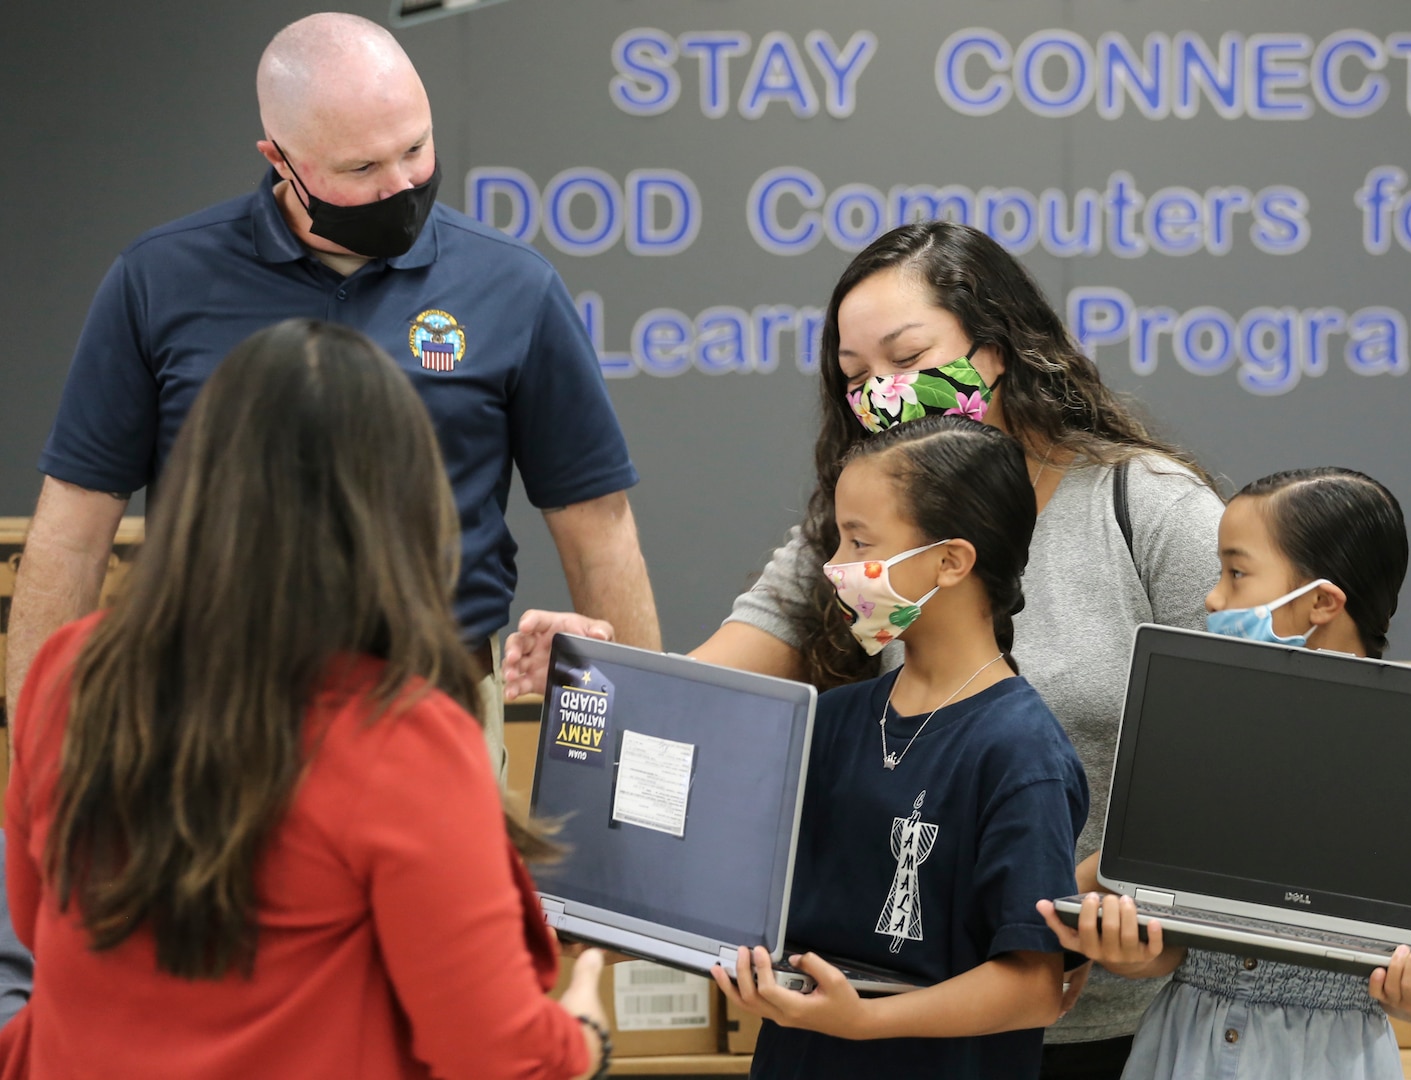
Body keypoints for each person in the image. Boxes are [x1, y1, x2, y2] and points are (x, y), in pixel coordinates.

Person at [506, 221, 1225, 1078]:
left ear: (994, 355)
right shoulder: (857, 536)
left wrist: (1088, 898)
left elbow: (1244, 739)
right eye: (856, 377)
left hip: (1120, 1015)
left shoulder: (1143, 507)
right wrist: (609, 678)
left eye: (908, 356)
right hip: (901, 1022)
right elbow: (714, 681)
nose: (884, 392)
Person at [7, 11, 659, 790]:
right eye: (360, 169)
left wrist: (640, 757)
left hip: (436, 703)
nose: (402, 185)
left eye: (415, 148)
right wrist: (38, 762)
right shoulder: (159, 281)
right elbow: (72, 538)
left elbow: (600, 532)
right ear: (279, 159)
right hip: (211, 716)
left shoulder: (512, 286)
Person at [0, 319, 612, 1079]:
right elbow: (499, 1055)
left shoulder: (69, 673)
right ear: (400, 513)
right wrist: (585, 1029)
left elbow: (34, 920)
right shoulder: (402, 738)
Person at [1037, 466, 1411, 1080]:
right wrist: (1116, 944)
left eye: (1236, 573)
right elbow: (1134, 913)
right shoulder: (1198, 741)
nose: (1213, 598)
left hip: (1331, 1060)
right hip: (1182, 1049)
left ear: (1322, 602)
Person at [713, 416, 1089, 1080]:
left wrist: (865, 1022)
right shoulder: (832, 718)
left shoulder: (1020, 752)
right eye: (838, 541)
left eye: (860, 541)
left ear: (951, 560)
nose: (836, 567)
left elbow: (1034, 988)